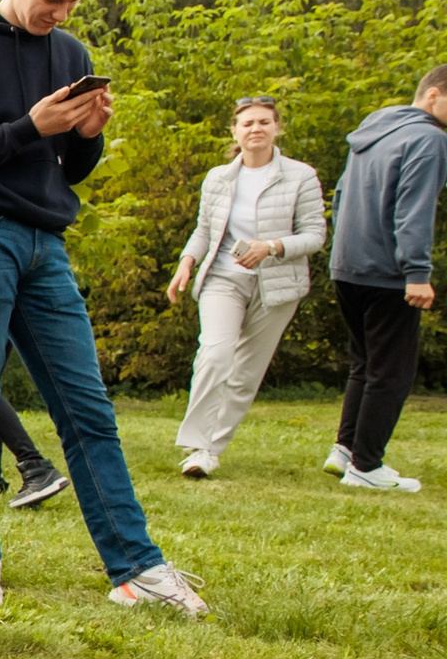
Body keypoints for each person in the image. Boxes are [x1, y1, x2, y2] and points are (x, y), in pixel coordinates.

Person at [0, 0, 206, 613]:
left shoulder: (69, 52)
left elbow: (67, 171)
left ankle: (134, 567)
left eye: (72, 2)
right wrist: (30, 127)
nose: (61, 14)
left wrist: (86, 138)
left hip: (45, 244)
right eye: (51, 0)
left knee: (88, 409)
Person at [166, 96, 328, 477]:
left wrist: (271, 247)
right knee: (215, 353)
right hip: (222, 278)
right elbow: (204, 231)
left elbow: (315, 235)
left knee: (246, 373)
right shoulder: (217, 178)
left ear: (277, 128)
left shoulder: (301, 176)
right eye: (248, 123)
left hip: (277, 285)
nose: (256, 129)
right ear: (234, 132)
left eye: (264, 122)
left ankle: (211, 449)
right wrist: (186, 263)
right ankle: (196, 445)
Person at [322, 66, 447, 491]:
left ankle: (345, 450)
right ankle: (367, 465)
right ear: (432, 95)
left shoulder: (374, 127)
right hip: (387, 271)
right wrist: (417, 271)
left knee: (365, 364)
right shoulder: (429, 139)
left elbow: (340, 194)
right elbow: (415, 208)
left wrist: (343, 249)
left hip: (348, 264)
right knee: (392, 372)